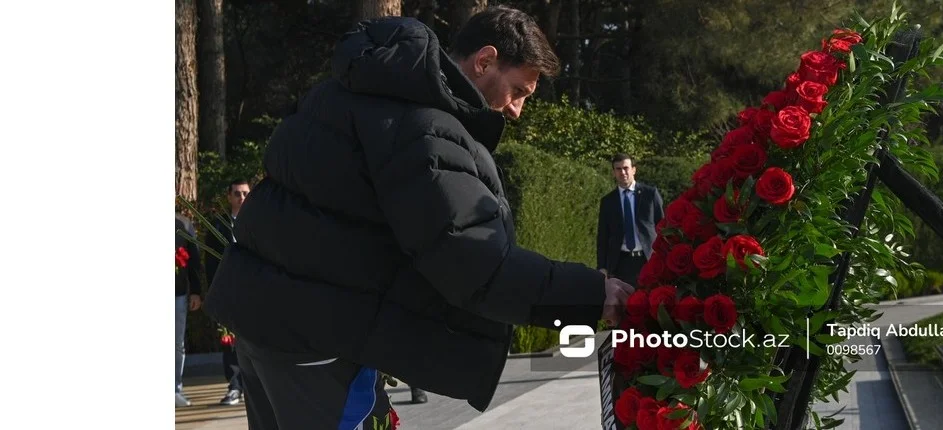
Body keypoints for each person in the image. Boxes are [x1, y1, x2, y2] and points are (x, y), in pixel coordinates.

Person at [203, 7, 633, 429]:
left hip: (263, 327)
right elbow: (476, 264)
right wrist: (593, 294)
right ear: (484, 61)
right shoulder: (425, 130)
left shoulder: (345, 93)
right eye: (518, 91)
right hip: (319, 344)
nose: (517, 110)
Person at [204, 180, 251, 406]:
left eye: (245, 194)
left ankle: (255, 387)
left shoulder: (261, 222)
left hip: (256, 293)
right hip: (228, 293)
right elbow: (210, 263)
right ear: (229, 196)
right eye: (237, 194)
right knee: (230, 343)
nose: (241, 198)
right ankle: (234, 386)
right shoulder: (218, 226)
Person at [596, 154, 665, 286]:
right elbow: (603, 237)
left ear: (634, 169)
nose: (622, 172)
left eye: (626, 168)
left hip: (647, 260)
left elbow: (662, 227)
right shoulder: (608, 201)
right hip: (621, 264)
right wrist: (602, 267)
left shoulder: (649, 194)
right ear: (614, 172)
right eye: (618, 169)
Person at [175, 213, 204, 407]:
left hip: (177, 293)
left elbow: (194, 260)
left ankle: (174, 389)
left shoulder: (183, 224)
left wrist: (196, 291)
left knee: (176, 344)